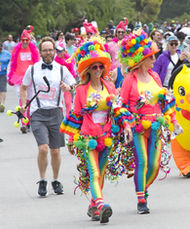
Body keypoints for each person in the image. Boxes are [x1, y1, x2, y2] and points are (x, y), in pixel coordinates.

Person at [60, 39, 133, 223]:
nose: (98, 69)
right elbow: (76, 116)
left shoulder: (109, 86)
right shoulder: (82, 90)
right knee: (94, 172)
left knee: (101, 172)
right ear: (88, 70)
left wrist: (126, 126)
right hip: (88, 138)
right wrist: (70, 139)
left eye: (101, 66)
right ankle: (101, 205)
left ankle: (94, 206)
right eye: (94, 67)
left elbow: (117, 109)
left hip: (107, 137)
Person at [119, 29, 179, 214]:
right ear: (141, 59)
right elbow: (121, 106)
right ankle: (141, 200)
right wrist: (127, 125)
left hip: (155, 126)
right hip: (137, 126)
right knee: (142, 162)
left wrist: (173, 121)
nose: (154, 59)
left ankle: (143, 189)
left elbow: (164, 99)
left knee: (154, 165)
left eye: (154, 55)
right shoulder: (129, 79)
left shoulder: (155, 76)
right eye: (151, 56)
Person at [19, 36, 76, 197]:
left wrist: (68, 87)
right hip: (37, 113)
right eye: (45, 50)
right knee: (43, 148)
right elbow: (23, 88)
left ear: (54, 51)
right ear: (40, 52)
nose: (48, 53)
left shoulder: (61, 69)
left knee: (55, 151)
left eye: (50, 50)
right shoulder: (32, 69)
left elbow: (74, 84)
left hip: (56, 112)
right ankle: (42, 180)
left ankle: (55, 180)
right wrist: (24, 104)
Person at [8, 26, 40, 133]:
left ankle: (29, 121)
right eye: (23, 40)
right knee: (22, 100)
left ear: (30, 40)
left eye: (27, 40)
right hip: (19, 77)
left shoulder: (33, 49)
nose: (25, 42)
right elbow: (12, 63)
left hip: (31, 76)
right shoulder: (16, 49)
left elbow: (38, 63)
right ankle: (24, 123)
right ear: (20, 40)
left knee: (30, 100)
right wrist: (10, 75)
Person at [54, 41, 77, 115]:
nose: (59, 53)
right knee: (59, 104)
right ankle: (60, 119)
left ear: (64, 51)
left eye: (60, 51)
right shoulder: (55, 61)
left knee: (67, 103)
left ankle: (68, 119)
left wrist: (72, 84)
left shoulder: (69, 60)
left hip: (67, 84)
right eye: (57, 51)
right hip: (58, 84)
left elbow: (72, 71)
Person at [0, 42, 11, 112]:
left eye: (0, 48)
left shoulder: (6, 54)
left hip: (3, 73)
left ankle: (2, 104)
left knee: (3, 89)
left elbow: (11, 62)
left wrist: (7, 67)